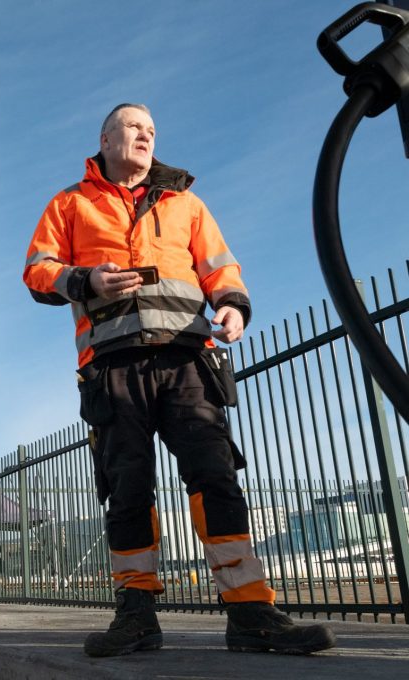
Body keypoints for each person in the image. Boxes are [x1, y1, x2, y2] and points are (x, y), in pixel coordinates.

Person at [23, 103, 336, 658]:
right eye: (133, 127)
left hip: (189, 359)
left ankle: (250, 613)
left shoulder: (185, 201)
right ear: (105, 138)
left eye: (151, 130)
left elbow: (220, 266)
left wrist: (234, 305)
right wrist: (87, 277)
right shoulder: (70, 202)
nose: (146, 135)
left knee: (215, 477)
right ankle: (136, 614)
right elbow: (38, 271)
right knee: (127, 487)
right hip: (112, 365)